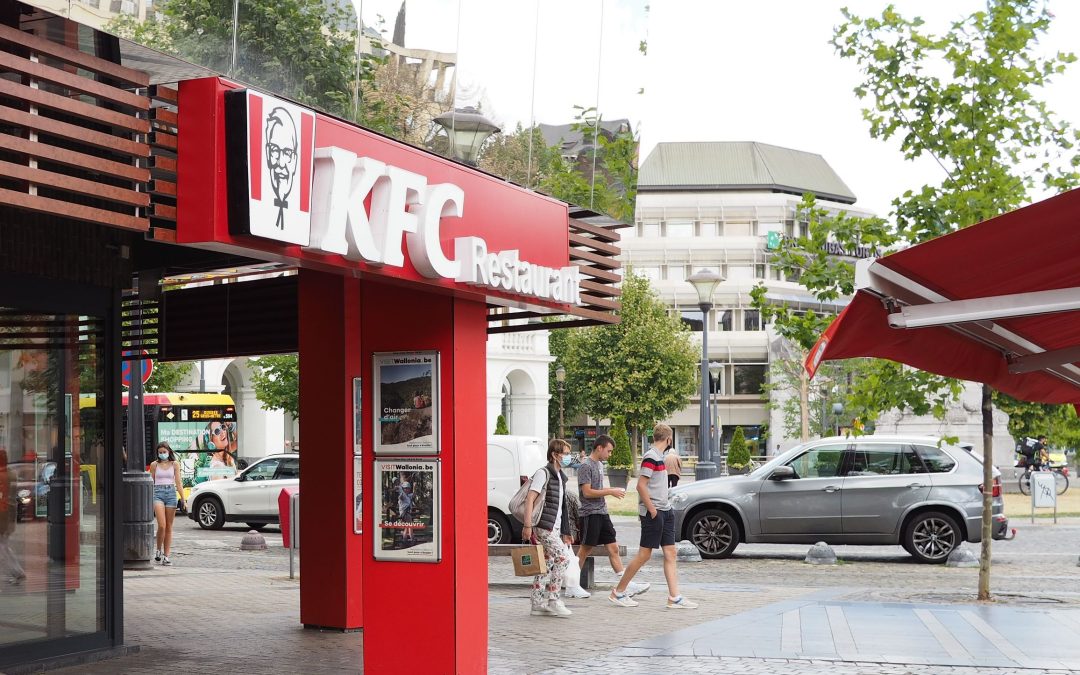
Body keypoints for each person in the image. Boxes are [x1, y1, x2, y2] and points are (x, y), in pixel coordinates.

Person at [609, 424, 698, 609]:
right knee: (644, 554)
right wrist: (652, 510)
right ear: (669, 439)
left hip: (665, 510)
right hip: (655, 511)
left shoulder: (660, 457)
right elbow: (641, 485)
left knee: (670, 553)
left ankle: (675, 598)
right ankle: (618, 592)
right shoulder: (651, 457)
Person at [569, 433, 649, 600]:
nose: (610, 454)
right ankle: (572, 585)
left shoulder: (598, 464)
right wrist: (611, 491)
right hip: (590, 514)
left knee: (613, 548)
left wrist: (608, 494)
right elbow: (587, 492)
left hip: (602, 512)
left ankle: (625, 585)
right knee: (585, 550)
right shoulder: (586, 466)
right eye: (609, 451)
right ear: (600, 448)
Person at [522, 439, 574, 618]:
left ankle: (536, 603)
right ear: (554, 455)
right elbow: (530, 498)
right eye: (565, 453)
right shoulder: (543, 473)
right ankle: (554, 599)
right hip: (544, 526)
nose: (568, 457)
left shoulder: (560, 476)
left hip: (554, 526)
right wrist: (527, 524)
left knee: (546, 563)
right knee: (562, 558)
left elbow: (561, 507)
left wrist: (566, 531)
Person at [150, 442, 185, 566]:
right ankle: (158, 550)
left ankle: (166, 556)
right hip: (158, 493)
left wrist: (183, 498)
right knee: (162, 525)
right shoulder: (154, 465)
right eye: (160, 452)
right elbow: (151, 481)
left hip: (171, 493)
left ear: (169, 452)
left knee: (169, 527)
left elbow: (179, 482)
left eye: (164, 452)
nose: (162, 454)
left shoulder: (175, 464)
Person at [0, 449, 26, 585]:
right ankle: (17, 572)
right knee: (3, 546)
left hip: (2, 517)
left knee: (3, 547)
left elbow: (3, 499)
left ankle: (18, 572)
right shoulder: (11, 474)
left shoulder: (2, 475)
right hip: (8, 516)